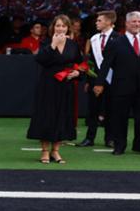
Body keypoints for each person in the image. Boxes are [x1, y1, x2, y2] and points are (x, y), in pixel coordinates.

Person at [27, 15, 82, 164]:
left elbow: (80, 63)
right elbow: (40, 60)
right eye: (58, 26)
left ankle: (55, 151)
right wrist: (53, 45)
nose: (60, 28)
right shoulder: (45, 42)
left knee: (62, 117)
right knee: (46, 116)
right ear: (53, 27)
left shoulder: (73, 44)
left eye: (63, 26)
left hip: (66, 86)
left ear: (68, 28)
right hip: (48, 85)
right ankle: (44, 151)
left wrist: (77, 73)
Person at [96, 10, 140, 155]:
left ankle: (139, 144)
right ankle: (119, 145)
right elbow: (106, 65)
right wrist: (99, 83)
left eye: (139, 21)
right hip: (121, 87)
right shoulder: (115, 42)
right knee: (120, 118)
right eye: (134, 21)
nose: (137, 24)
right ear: (126, 23)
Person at [79, 10, 116, 147]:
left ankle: (110, 138)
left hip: (113, 80)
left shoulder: (118, 38)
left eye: (99, 20)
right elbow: (92, 63)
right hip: (95, 80)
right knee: (93, 110)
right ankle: (90, 138)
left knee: (111, 110)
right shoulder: (94, 39)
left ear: (108, 22)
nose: (96, 22)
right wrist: (89, 81)